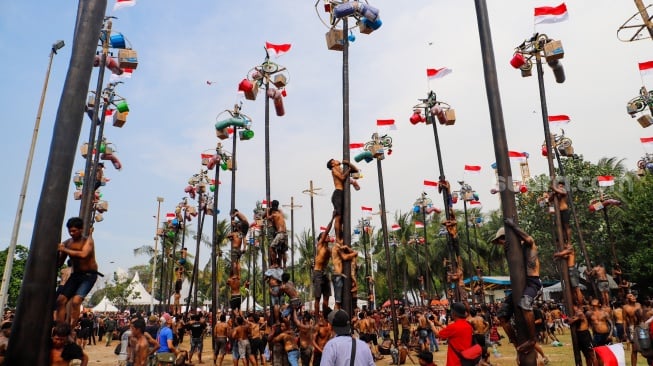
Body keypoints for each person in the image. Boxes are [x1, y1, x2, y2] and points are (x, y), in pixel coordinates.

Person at [491, 219, 542, 353]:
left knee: (525, 304)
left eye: (501, 240)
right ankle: (515, 343)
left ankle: (532, 340)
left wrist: (513, 226)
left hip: (533, 282)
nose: (501, 244)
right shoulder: (511, 252)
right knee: (501, 315)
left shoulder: (528, 246)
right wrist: (507, 252)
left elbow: (529, 240)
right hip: (519, 285)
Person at [55, 217, 100, 326]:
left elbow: (83, 254)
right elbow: (59, 263)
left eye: (74, 231)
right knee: (60, 300)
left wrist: (63, 249)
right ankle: (60, 328)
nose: (71, 233)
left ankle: (71, 328)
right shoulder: (67, 243)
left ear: (81, 230)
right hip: (75, 275)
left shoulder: (88, 241)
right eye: (70, 231)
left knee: (76, 302)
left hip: (89, 276)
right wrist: (57, 252)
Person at [326, 159, 359, 242]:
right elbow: (342, 177)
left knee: (343, 219)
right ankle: (337, 238)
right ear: (333, 164)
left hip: (343, 195)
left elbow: (356, 170)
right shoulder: (334, 170)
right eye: (335, 160)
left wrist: (349, 164)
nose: (337, 160)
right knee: (338, 217)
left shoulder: (342, 169)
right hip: (338, 194)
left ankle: (341, 237)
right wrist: (349, 169)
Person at [313, 217, 334, 317]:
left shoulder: (330, 250)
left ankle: (325, 318)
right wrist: (333, 217)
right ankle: (317, 319)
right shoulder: (320, 245)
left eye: (328, 235)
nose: (328, 236)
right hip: (317, 273)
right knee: (317, 298)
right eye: (326, 235)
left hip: (325, 274)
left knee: (326, 297)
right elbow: (327, 230)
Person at [331, 239, 357, 310]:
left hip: (340, 276)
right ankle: (336, 318)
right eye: (342, 240)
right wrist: (355, 253)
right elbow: (345, 257)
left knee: (341, 301)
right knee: (338, 302)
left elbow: (349, 253)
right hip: (337, 275)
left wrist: (347, 248)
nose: (343, 242)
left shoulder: (341, 248)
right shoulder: (336, 247)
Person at [266, 200, 288, 268]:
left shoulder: (274, 215)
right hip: (285, 234)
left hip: (280, 234)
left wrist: (267, 210)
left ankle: (275, 264)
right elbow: (279, 210)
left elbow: (267, 218)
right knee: (283, 251)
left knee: (271, 247)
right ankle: (284, 265)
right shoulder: (281, 214)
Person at [549, 180, 571, 244]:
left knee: (566, 226)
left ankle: (569, 241)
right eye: (559, 186)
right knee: (561, 228)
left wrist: (554, 188)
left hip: (565, 211)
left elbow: (563, 193)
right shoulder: (555, 193)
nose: (560, 187)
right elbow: (550, 199)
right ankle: (564, 241)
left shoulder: (563, 191)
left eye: (561, 186)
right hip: (558, 213)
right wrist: (553, 193)